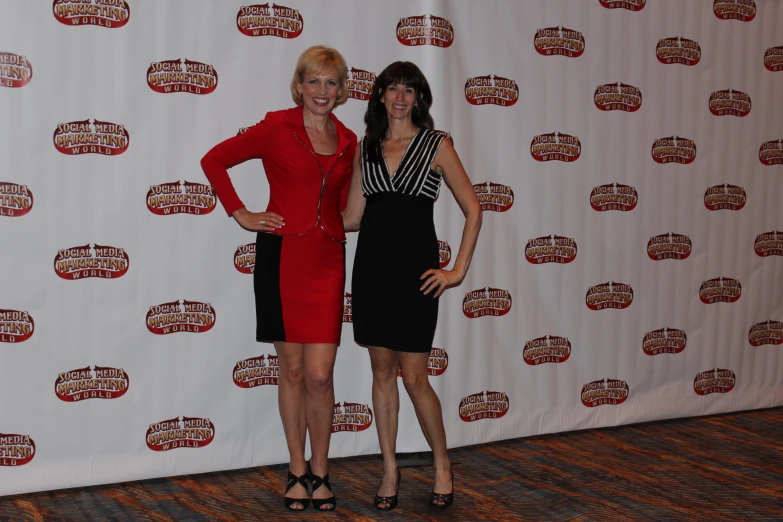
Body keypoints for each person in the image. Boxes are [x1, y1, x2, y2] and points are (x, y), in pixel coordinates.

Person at [200, 45, 357, 512]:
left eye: (331, 82)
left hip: (328, 259)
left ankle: (322, 470)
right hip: (282, 256)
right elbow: (214, 160)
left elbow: (348, 208)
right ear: (300, 86)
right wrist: (241, 213)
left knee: (320, 374)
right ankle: (296, 469)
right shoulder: (275, 127)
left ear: (341, 89)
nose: (321, 91)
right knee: (291, 370)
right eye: (313, 82)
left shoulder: (350, 141)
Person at [342, 61, 482, 510]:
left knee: (416, 378)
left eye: (410, 89)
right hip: (372, 275)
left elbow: (474, 209)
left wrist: (456, 270)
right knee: (381, 373)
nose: (400, 97)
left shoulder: (437, 145)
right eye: (392, 88)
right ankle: (389, 469)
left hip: (417, 277)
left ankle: (442, 464)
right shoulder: (366, 147)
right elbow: (352, 218)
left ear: (419, 97)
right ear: (379, 94)